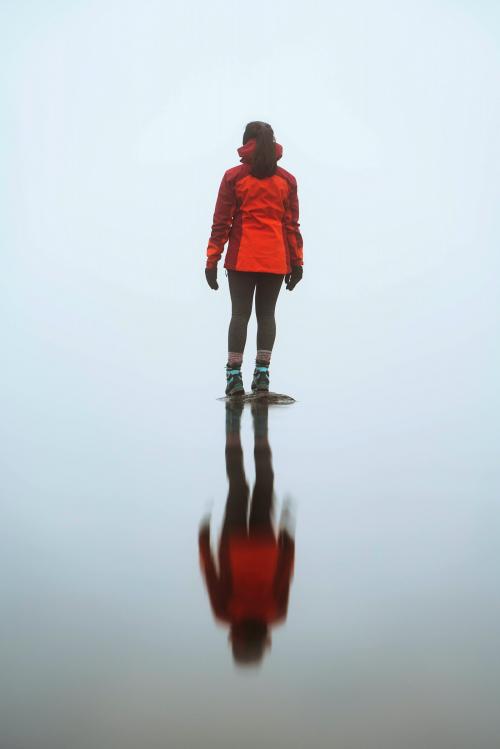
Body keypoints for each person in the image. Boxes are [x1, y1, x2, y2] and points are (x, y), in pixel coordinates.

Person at [204, 121, 304, 396]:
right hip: (275, 259)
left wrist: (212, 260)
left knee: (239, 314)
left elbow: (221, 223)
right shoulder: (287, 180)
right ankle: (262, 376)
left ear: (247, 143)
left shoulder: (233, 177)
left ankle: (233, 377)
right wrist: (297, 263)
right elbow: (291, 225)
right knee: (267, 315)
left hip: (242, 258)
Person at [198, 400, 295, 666]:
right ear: (235, 641)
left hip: (266, 546)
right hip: (235, 545)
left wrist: (288, 536)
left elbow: (285, 573)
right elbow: (209, 574)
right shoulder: (224, 615)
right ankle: (232, 433)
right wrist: (203, 539)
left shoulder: (276, 614)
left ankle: (261, 434)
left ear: (264, 642)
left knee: (264, 483)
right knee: (238, 486)